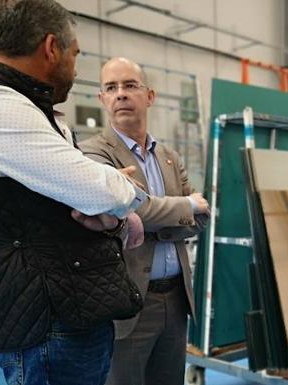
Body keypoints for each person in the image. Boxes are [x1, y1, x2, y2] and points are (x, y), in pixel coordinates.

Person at [0, 1, 150, 384]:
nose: (74, 68)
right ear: (51, 47)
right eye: (74, 55)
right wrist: (124, 193)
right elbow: (100, 190)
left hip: (68, 313)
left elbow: (82, 194)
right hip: (47, 324)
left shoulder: (33, 109)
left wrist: (107, 199)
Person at [80, 57, 210, 385]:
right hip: (130, 303)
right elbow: (127, 211)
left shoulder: (169, 157)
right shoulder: (94, 155)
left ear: (149, 96)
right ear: (102, 99)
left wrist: (152, 216)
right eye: (111, 87)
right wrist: (182, 206)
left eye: (129, 85)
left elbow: (201, 217)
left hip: (177, 299)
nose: (121, 94)